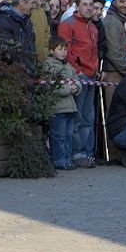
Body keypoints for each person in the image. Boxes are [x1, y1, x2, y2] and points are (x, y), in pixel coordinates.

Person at [57, 0, 98, 169]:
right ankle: (77, 152)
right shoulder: (68, 25)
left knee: (89, 115)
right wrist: (78, 72)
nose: (89, 8)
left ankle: (87, 152)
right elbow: (67, 51)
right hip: (78, 75)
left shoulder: (93, 28)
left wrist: (96, 70)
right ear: (77, 6)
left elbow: (95, 52)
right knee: (78, 116)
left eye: (91, 5)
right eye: (85, 5)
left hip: (92, 75)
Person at [44, 35, 80, 170]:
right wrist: (67, 89)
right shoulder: (49, 66)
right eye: (60, 49)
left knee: (69, 136)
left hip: (70, 107)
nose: (64, 51)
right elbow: (51, 86)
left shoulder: (68, 66)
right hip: (58, 108)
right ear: (52, 51)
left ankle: (67, 159)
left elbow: (76, 78)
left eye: (65, 49)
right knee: (58, 136)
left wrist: (77, 87)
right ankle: (59, 160)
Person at [0, 0, 38, 67]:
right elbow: (7, 53)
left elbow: (32, 46)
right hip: (14, 73)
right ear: (22, 2)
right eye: (32, 2)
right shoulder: (3, 21)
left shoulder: (27, 20)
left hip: (29, 72)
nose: (34, 6)